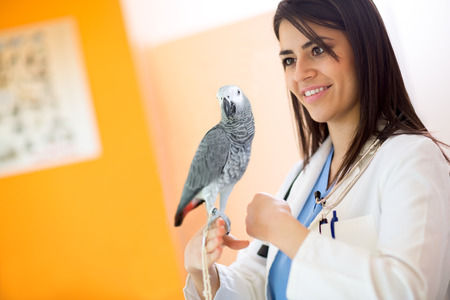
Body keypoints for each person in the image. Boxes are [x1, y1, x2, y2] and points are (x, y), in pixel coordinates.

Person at [183, 0, 450, 299]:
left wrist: (288, 233)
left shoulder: (412, 160)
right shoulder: (301, 176)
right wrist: (205, 273)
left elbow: (410, 291)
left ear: (365, 48)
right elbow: (262, 282)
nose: (300, 74)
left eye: (317, 50)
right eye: (288, 59)